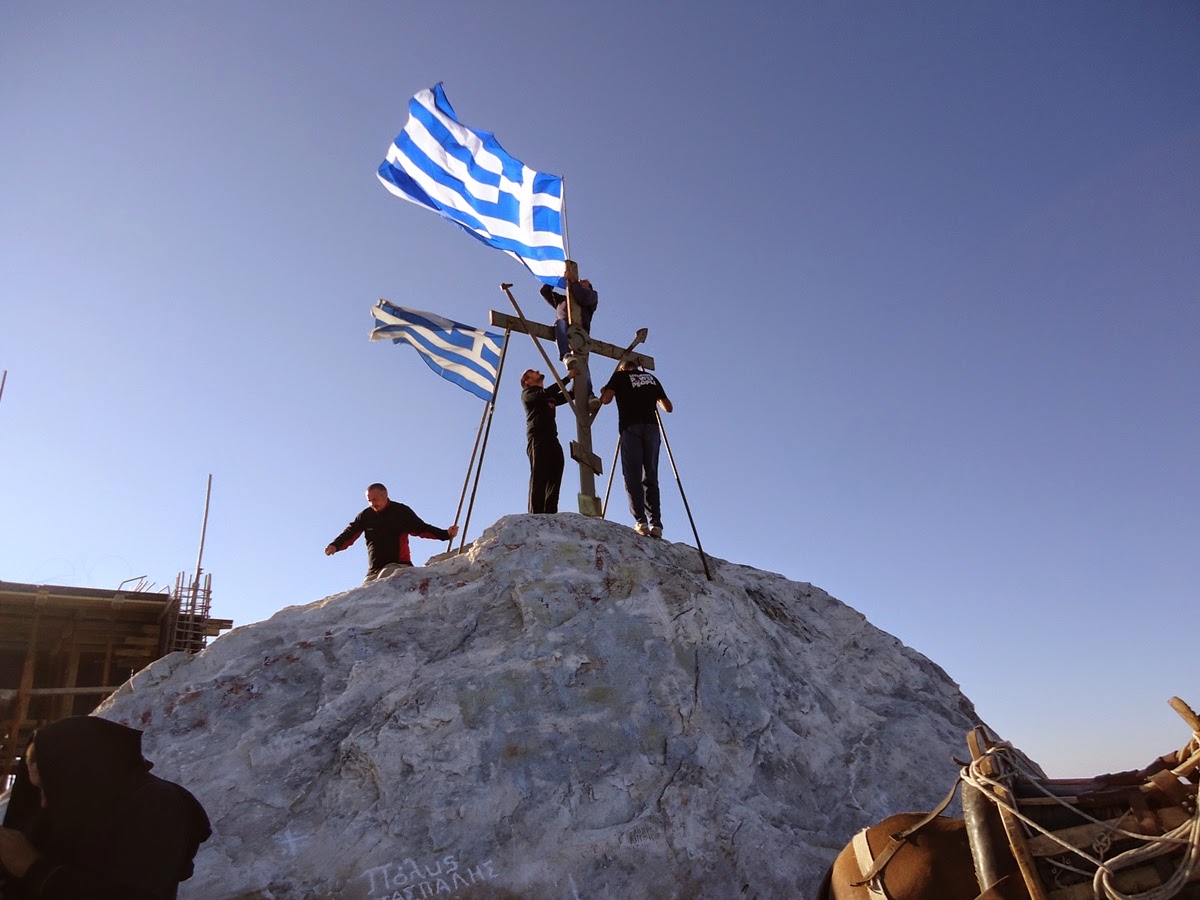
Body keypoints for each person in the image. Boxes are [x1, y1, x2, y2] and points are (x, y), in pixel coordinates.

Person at [0, 716, 211, 900]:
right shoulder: (79, 808)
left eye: (48, 789)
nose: (44, 803)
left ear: (82, 772)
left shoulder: (158, 803)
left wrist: (33, 867)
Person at [325, 483, 459, 581]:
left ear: (385, 495)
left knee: (382, 581)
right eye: (369, 501)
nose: (372, 504)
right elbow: (350, 533)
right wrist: (335, 546)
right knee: (364, 595)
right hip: (374, 570)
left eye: (375, 499)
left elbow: (422, 529)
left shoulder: (400, 512)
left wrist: (446, 534)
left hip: (398, 565)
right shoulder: (365, 516)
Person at [600, 359, 673, 538]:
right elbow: (668, 407)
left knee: (632, 475)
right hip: (652, 428)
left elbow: (606, 400)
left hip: (630, 426)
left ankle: (641, 521)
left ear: (623, 367)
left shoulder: (619, 377)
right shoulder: (651, 378)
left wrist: (605, 391)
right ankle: (656, 523)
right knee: (650, 475)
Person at [520, 367, 574, 514]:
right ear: (528, 381)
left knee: (555, 473)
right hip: (537, 438)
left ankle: (550, 512)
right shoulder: (528, 394)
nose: (537, 371)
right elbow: (545, 394)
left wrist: (581, 382)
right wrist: (568, 378)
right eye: (532, 372)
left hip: (552, 438)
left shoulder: (548, 396)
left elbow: (569, 396)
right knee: (539, 475)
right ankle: (535, 514)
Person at [539, 260, 598, 364]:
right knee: (560, 323)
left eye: (583, 282)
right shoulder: (562, 300)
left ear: (589, 287)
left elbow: (583, 298)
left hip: (580, 333)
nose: (580, 281)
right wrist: (556, 279)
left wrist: (574, 281)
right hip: (563, 330)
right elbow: (545, 292)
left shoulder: (592, 296)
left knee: (582, 365)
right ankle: (566, 355)